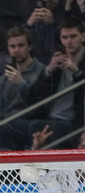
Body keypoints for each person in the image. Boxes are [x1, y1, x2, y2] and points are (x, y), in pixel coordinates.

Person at [0, 25, 51, 150]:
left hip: (29, 123)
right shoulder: (4, 77)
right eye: (12, 47)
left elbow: (39, 105)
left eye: (21, 45)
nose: (16, 50)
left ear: (29, 46)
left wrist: (21, 83)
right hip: (6, 125)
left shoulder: (41, 71)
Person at [31, 18, 85, 147]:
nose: (68, 42)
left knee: (36, 126)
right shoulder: (58, 60)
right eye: (64, 37)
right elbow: (33, 96)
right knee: (13, 126)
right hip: (50, 116)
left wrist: (77, 72)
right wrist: (48, 71)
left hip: (74, 121)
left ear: (83, 37)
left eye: (73, 36)